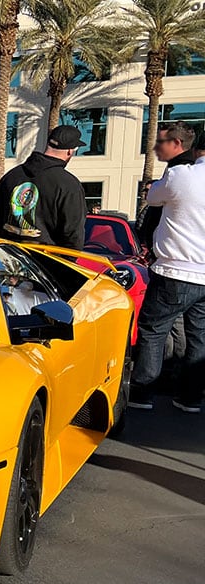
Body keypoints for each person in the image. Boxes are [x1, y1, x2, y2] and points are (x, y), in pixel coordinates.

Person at [128, 131, 205, 413]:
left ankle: (142, 392)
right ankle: (190, 397)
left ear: (196, 150)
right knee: (200, 335)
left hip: (175, 268)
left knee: (153, 329)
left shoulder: (181, 175)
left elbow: (154, 198)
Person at [0, 124, 87, 250]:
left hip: (8, 259)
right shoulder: (69, 185)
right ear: (70, 151)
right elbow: (73, 235)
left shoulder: (11, 176)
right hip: (46, 263)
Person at [139, 122, 197, 251]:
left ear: (176, 143)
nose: (155, 148)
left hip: (174, 257)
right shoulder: (178, 169)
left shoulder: (178, 173)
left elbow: (153, 200)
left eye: (160, 142)